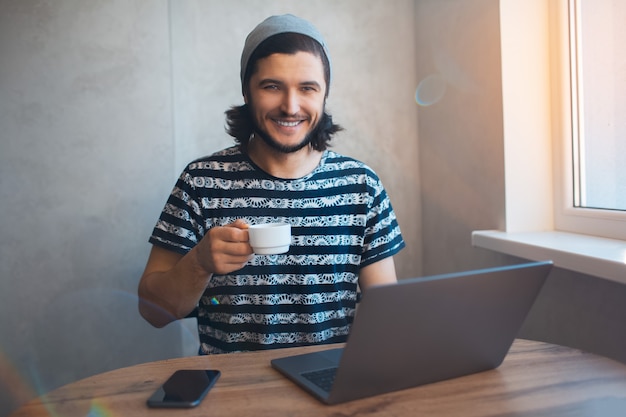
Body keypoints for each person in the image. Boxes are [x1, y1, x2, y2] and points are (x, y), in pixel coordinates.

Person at [138, 14, 405, 354]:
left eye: (307, 88)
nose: (290, 106)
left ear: (324, 96)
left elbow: (386, 311)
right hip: (233, 394)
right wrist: (200, 262)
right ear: (247, 91)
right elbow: (151, 311)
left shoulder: (361, 186)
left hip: (330, 388)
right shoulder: (202, 182)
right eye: (272, 86)